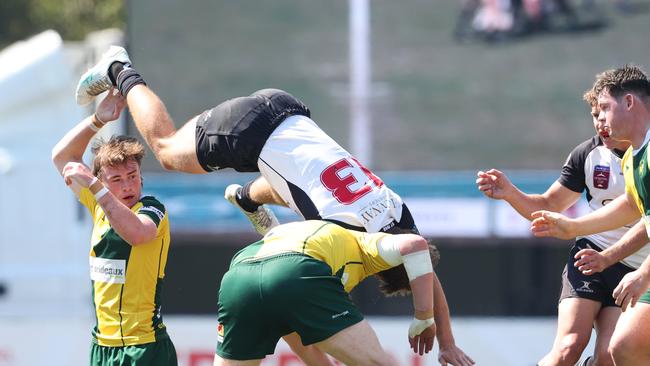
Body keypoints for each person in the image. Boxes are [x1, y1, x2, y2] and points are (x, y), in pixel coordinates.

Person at [75, 46, 474, 366]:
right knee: (164, 149)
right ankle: (121, 70)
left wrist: (448, 341)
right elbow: (413, 262)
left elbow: (421, 264)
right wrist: (430, 328)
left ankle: (248, 197)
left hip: (285, 110)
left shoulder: (397, 214)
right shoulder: (351, 236)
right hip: (250, 133)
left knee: (295, 190)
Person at [476, 88, 647, 366]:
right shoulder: (588, 154)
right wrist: (509, 193)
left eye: (605, 112)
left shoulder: (643, 155)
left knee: (608, 356)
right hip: (590, 257)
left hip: (634, 268)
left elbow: (638, 212)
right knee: (568, 348)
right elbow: (549, 203)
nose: (600, 121)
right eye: (595, 114)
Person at [530, 64, 650, 366]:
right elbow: (633, 208)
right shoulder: (634, 157)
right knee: (622, 349)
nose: (601, 120)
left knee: (621, 349)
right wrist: (573, 228)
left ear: (630, 102)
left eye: (605, 108)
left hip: (643, 270)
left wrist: (642, 274)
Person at [52, 88, 177, 365]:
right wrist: (97, 119)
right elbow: (61, 157)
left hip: (144, 347)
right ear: (104, 181)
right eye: (116, 179)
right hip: (102, 346)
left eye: (132, 175)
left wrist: (96, 185)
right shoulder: (99, 204)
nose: (128, 185)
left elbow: (138, 233)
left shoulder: (152, 208)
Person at [214, 219, 440, 366]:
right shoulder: (367, 243)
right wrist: (424, 317)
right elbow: (414, 246)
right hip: (296, 268)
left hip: (238, 277)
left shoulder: (328, 242)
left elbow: (290, 323)